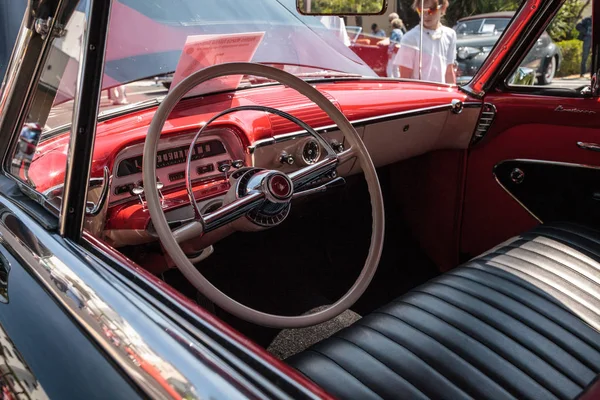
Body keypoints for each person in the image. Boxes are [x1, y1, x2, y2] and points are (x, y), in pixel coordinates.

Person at [393, 0, 456, 84]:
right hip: (419, 94)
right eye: (421, 10)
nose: (425, 15)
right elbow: (404, 78)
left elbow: (449, 71)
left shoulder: (450, 35)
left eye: (431, 10)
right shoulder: (410, 38)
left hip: (441, 93)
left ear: (443, 8)